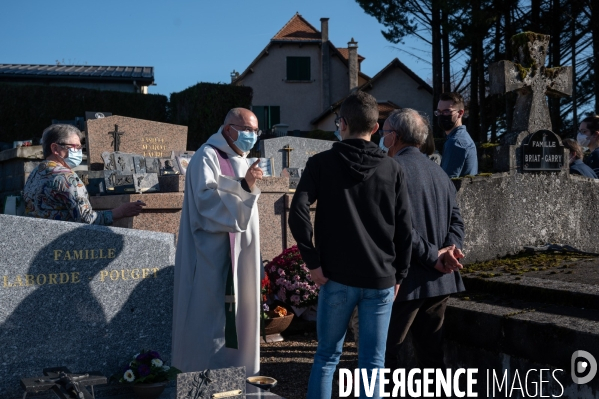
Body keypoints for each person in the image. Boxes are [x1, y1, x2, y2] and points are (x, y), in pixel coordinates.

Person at [289, 91, 412, 399]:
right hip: (380, 276)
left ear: (341, 124)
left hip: (336, 275)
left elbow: (298, 211)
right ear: (375, 128)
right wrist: (400, 274)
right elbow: (405, 228)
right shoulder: (393, 169)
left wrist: (312, 261)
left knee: (327, 356)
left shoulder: (320, 163)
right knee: (373, 362)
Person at [172, 108, 264, 376]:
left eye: (255, 131)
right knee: (210, 319)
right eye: (246, 130)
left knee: (241, 317)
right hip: (212, 254)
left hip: (241, 251)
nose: (251, 136)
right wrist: (245, 187)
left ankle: (240, 375)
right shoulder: (207, 155)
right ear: (228, 129)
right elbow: (205, 203)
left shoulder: (243, 158)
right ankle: (204, 378)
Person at [380, 108, 465, 374]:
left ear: (394, 136)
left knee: (385, 357)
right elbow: (457, 220)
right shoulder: (439, 172)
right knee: (432, 359)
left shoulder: (389, 170)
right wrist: (450, 251)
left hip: (404, 281)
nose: (382, 138)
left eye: (384, 133)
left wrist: (434, 256)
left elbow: (399, 228)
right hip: (440, 281)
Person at [23, 124, 145, 224]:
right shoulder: (66, 177)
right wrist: (121, 212)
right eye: (74, 147)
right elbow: (86, 219)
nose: (79, 152)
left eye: (80, 147)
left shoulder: (34, 174)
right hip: (64, 245)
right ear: (55, 148)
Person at [436, 92, 478, 177]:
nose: (441, 115)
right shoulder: (460, 138)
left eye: (446, 111)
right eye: (439, 111)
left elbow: (446, 184)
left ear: (460, 113)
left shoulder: (456, 142)